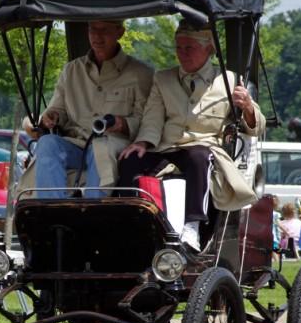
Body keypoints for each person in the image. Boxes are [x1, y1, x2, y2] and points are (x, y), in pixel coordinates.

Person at [116, 19, 263, 251]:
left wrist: (247, 107)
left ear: (209, 49)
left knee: (198, 156)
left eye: (189, 48)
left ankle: (192, 226)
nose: (182, 54)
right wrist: (142, 142)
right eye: (178, 48)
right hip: (167, 148)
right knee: (129, 160)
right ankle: (130, 225)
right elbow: (153, 117)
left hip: (204, 150)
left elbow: (255, 127)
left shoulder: (229, 80)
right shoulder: (163, 78)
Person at [33, 19, 154, 197]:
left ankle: (94, 210)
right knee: (47, 143)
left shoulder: (141, 73)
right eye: (92, 29)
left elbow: (147, 119)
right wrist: (51, 116)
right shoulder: (71, 70)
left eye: (104, 29)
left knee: (100, 148)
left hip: (113, 145)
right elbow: (57, 109)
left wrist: (123, 124)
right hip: (76, 143)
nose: (97, 36)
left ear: (120, 32)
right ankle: (50, 210)